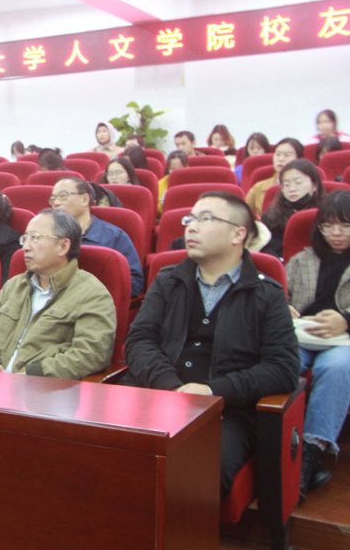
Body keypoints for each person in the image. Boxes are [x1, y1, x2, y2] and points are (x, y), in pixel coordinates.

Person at [122, 191, 299, 500]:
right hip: (153, 394)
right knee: (94, 450)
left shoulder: (267, 294)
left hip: (225, 411)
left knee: (196, 473)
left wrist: (211, 391)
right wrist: (171, 387)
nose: (191, 227)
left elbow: (282, 369)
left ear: (238, 234)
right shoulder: (168, 280)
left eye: (205, 219)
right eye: (190, 219)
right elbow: (139, 340)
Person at [0, 208, 115, 378]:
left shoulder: (91, 294)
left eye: (35, 238)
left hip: (45, 389)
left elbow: (92, 353)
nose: (25, 247)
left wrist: (34, 374)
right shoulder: (15, 285)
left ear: (63, 246)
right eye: (25, 238)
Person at [286, 191, 350, 501]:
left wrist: (346, 321)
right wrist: (284, 308)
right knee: (283, 363)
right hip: (302, 336)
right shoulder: (302, 259)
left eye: (345, 226)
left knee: (336, 368)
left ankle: (307, 457)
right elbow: (277, 295)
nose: (336, 233)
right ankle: (272, 440)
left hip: (343, 341)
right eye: (328, 226)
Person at [51, 177, 144, 296]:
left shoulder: (114, 236)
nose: (56, 203)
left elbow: (134, 283)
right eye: (53, 198)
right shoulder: (49, 235)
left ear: (84, 199)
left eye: (63, 196)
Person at [260, 160, 325, 259]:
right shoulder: (272, 214)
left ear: (315, 185)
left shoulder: (327, 211)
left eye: (298, 183)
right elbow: (265, 245)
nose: (292, 189)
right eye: (286, 185)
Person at [245, 137, 304, 216]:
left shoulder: (306, 187)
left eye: (287, 155)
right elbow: (244, 214)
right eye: (277, 154)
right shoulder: (258, 188)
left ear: (299, 159)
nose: (281, 159)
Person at [158, 150, 188, 214]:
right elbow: (158, 209)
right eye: (173, 169)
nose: (176, 172)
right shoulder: (161, 183)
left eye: (180, 168)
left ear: (187, 167)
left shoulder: (194, 181)